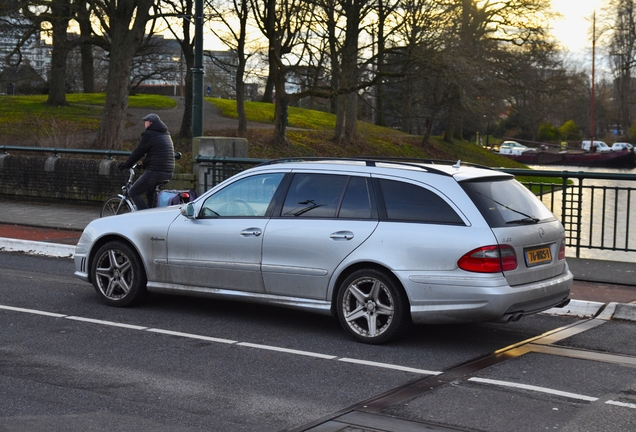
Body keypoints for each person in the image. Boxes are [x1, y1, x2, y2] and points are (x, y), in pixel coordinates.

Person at [118, 113, 175, 210]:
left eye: (146, 122)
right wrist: (144, 165)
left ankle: (145, 216)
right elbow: (158, 154)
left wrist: (126, 164)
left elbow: (139, 151)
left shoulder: (149, 134)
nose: (145, 124)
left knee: (133, 192)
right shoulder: (165, 134)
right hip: (168, 171)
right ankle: (153, 215)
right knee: (150, 192)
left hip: (155, 171)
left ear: (150, 123)